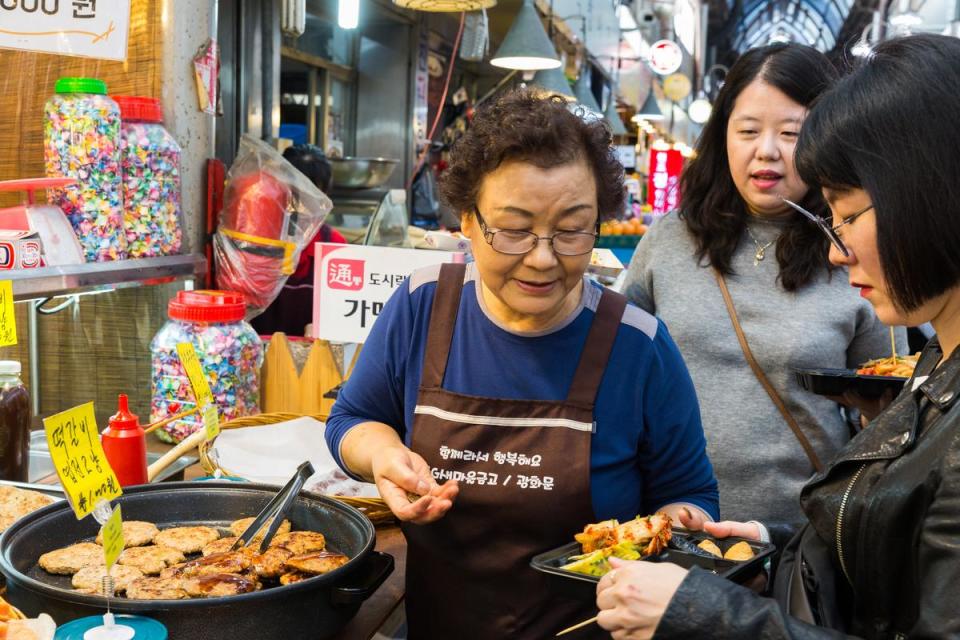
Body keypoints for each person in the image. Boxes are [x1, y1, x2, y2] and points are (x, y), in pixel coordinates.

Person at [595, 33, 960, 639]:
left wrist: (706, 615)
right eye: (747, 130)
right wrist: (779, 549)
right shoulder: (938, 372)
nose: (838, 250)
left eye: (846, 212)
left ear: (923, 196)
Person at [324, 89, 719, 639]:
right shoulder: (421, 306)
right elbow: (349, 420)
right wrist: (384, 454)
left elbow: (690, 495)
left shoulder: (638, 344)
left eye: (572, 228)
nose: (542, 256)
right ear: (467, 220)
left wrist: (674, 530)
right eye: (513, 228)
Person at [622, 43, 904, 528]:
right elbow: (617, 362)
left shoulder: (854, 251)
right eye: (748, 130)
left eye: (792, 133)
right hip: (671, 525)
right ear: (723, 136)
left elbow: (883, 403)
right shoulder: (669, 238)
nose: (766, 150)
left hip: (800, 536)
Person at [251, 143, 346, 336]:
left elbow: (342, 312)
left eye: (312, 195)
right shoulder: (253, 238)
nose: (302, 203)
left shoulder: (333, 246)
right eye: (295, 192)